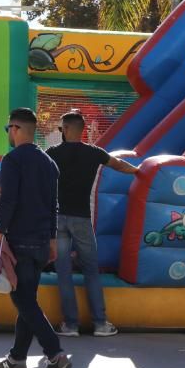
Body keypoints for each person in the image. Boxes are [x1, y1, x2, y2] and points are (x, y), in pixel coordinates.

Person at [0, 107, 72, 368]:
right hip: (41, 242)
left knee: (22, 300)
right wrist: (52, 239)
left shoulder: (12, 160)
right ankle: (17, 359)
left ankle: (55, 354)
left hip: (20, 240)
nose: (8, 135)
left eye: (8, 129)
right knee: (28, 301)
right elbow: (54, 206)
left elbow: (8, 200)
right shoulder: (49, 164)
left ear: (16, 129)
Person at [46, 110, 137, 338]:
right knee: (91, 271)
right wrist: (140, 172)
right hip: (82, 218)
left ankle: (70, 324)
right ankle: (100, 323)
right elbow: (121, 166)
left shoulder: (52, 153)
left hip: (59, 218)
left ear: (66, 129)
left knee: (64, 271)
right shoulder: (94, 153)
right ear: (83, 129)